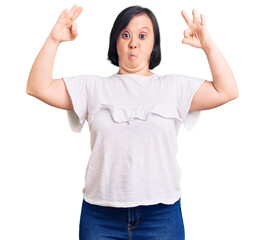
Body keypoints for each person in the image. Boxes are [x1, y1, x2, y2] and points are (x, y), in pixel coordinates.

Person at [26, 4, 239, 240]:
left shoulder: (174, 87)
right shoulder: (92, 87)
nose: (133, 43)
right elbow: (37, 86)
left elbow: (227, 90)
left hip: (162, 216)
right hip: (100, 217)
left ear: (153, 45)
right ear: (115, 42)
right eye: (125, 34)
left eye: (142, 35)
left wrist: (207, 45)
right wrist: (54, 39)